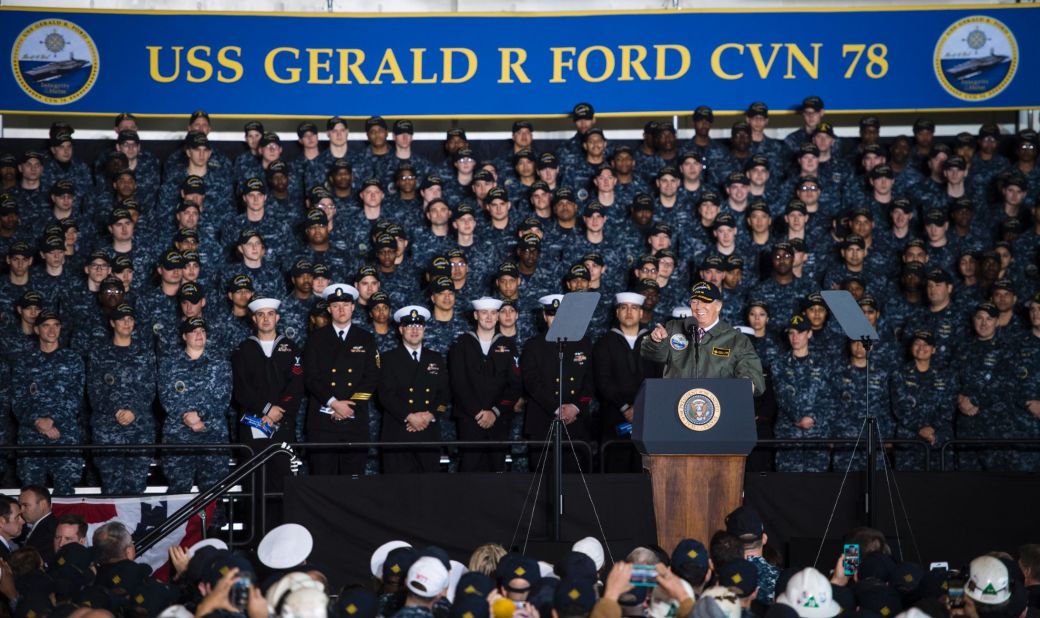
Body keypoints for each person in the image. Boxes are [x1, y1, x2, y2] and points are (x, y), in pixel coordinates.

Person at [303, 283, 380, 476]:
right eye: (336, 306)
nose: (341, 310)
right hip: (323, 420)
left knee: (352, 483)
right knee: (323, 480)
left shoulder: (366, 338)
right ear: (329, 309)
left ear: (353, 307)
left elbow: (372, 376)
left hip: (354, 419)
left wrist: (348, 407)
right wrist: (334, 403)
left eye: (345, 305)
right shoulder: (315, 339)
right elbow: (311, 377)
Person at [231, 297, 304, 495]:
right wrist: (266, 409)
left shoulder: (291, 348)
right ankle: (255, 527)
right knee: (253, 482)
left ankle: (283, 526)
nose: (265, 319)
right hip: (252, 425)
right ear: (254, 319)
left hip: (283, 425)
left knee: (284, 480)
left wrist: (277, 411)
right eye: (260, 315)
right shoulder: (243, 349)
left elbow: (296, 386)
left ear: (277, 317)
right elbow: (241, 389)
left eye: (270, 314)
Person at [640, 281, 765, 393]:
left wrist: (747, 383)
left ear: (718, 306)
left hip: (717, 409)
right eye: (694, 301)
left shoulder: (736, 339)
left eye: (705, 301)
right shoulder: (674, 328)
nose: (699, 307)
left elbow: (751, 371)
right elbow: (651, 355)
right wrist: (655, 341)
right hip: (676, 402)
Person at [11, 309, 85, 496]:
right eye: (46, 325)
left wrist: (52, 419)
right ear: (36, 329)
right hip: (31, 437)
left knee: (66, 493)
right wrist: (38, 421)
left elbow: (76, 396)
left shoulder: (73, 360)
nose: (52, 331)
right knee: (32, 494)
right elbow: (17, 400)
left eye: (56, 325)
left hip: (64, 434)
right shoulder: (24, 362)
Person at [86, 302, 157, 496]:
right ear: (112, 323)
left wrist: (133, 410)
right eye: (122, 319)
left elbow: (150, 387)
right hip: (108, 428)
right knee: (111, 488)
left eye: (130, 319)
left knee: (136, 488)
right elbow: (94, 390)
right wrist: (116, 410)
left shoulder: (145, 353)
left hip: (139, 427)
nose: (127, 323)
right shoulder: (99, 354)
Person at [157, 317, 233, 494]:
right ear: (184, 336)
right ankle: (179, 524)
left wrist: (200, 414)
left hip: (212, 434)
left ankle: (213, 523)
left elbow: (223, 397)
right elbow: (166, 398)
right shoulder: (169, 364)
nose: (199, 334)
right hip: (178, 436)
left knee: (214, 492)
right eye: (194, 331)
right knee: (178, 491)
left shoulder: (220, 363)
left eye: (203, 331)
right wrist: (187, 417)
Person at [448, 297, 522, 472]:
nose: (488, 317)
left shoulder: (509, 345)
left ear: (497, 317)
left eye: (493, 313)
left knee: (497, 471)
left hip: (500, 419)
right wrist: (478, 413)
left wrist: (495, 412)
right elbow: (458, 383)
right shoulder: (461, 344)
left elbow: (515, 385)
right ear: (475, 315)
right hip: (470, 419)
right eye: (484, 313)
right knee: (469, 470)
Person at [377, 306, 450, 473]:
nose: (415, 331)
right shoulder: (388, 359)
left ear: (424, 329)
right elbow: (385, 395)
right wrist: (409, 416)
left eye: (419, 326)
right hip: (398, 433)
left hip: (428, 432)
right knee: (397, 490)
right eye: (410, 326)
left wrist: (430, 414)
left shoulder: (435, 358)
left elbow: (444, 394)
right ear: (401, 329)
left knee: (428, 489)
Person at [16, 486, 55, 565]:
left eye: (25, 505)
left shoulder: (50, 531)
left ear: (43, 505)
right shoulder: (43, 527)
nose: (21, 510)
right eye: (20, 506)